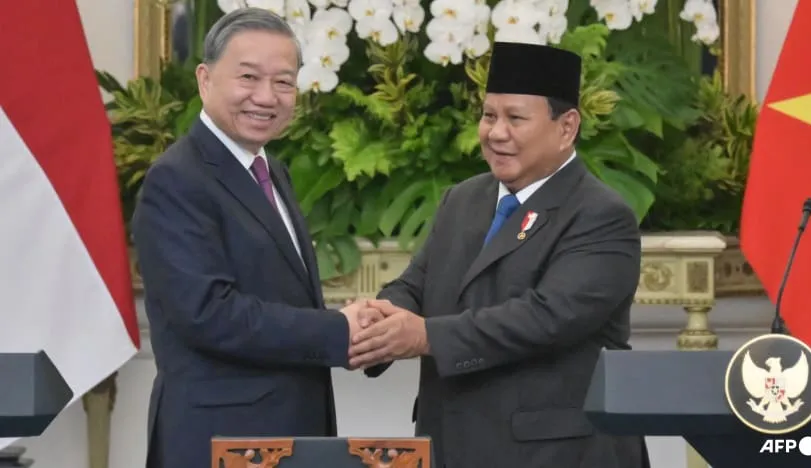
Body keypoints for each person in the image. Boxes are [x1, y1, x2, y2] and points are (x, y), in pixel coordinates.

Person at [348, 42, 651, 468]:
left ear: (567, 127)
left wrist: (425, 335)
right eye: (489, 115)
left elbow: (545, 318)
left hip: (557, 455)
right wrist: (379, 319)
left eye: (516, 118)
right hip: (451, 445)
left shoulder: (601, 215)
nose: (496, 132)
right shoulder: (464, 198)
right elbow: (417, 283)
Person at [131, 8, 380, 468]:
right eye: (248, 77)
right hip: (221, 444)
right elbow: (209, 314)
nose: (266, 97)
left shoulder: (270, 170)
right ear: (205, 80)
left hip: (280, 438)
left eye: (284, 82)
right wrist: (337, 329)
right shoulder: (177, 180)